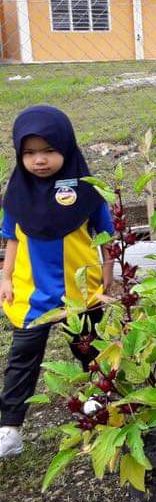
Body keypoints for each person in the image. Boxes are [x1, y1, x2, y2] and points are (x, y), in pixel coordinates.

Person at [0, 106, 114, 459]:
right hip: (32, 296)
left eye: (48, 150)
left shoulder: (88, 192)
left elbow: (106, 238)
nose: (39, 161)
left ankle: (100, 404)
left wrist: (108, 279)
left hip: (81, 294)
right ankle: (10, 428)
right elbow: (12, 239)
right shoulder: (16, 196)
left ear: (67, 147)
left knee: (90, 351)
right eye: (30, 153)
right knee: (22, 359)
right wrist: (5, 276)